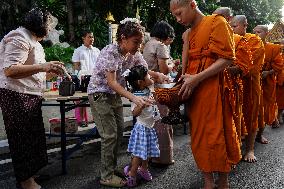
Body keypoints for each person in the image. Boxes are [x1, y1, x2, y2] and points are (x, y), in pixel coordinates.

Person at [87, 18, 168, 188]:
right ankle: (107, 176)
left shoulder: (134, 54)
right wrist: (133, 97)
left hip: (114, 94)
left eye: (140, 42)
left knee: (117, 134)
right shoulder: (111, 51)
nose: (139, 46)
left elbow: (145, 71)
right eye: (136, 42)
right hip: (99, 94)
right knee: (109, 135)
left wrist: (157, 75)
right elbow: (112, 82)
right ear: (123, 38)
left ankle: (111, 168)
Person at [170, 1, 241, 188]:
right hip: (194, 91)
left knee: (219, 133)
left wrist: (197, 78)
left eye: (179, 13)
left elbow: (227, 58)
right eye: (174, 17)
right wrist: (181, 85)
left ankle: (223, 181)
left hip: (214, 87)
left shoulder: (216, 22)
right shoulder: (188, 33)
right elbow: (187, 64)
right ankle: (208, 181)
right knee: (199, 136)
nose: (178, 19)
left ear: (192, 4)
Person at [0, 8, 67, 189]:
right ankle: (26, 181)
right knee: (21, 138)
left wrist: (49, 72)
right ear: (40, 23)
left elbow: (34, 71)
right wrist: (43, 66)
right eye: (50, 25)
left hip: (29, 93)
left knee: (34, 136)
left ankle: (31, 175)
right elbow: (10, 70)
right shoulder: (19, 36)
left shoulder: (35, 42)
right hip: (15, 93)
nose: (51, 29)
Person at [214, 7, 253, 143]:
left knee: (231, 119)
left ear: (228, 20)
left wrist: (220, 69)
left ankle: (233, 151)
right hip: (212, 86)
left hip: (230, 86)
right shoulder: (210, 37)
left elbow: (244, 67)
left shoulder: (238, 40)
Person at [230, 15, 265, 162]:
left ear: (245, 25)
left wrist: (227, 67)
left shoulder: (255, 41)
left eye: (234, 26)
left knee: (250, 115)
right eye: (230, 27)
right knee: (233, 116)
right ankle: (235, 145)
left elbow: (248, 66)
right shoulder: (230, 39)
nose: (231, 29)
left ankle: (250, 149)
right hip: (233, 85)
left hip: (249, 85)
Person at [142, 20, 176, 165]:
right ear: (166, 34)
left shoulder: (147, 44)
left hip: (146, 87)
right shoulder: (160, 46)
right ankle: (163, 158)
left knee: (149, 121)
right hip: (158, 87)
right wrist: (173, 64)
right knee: (163, 121)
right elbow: (164, 70)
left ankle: (148, 156)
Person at [123, 65, 160, 187]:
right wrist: (142, 105)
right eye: (148, 76)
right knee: (139, 153)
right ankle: (132, 173)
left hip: (149, 127)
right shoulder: (136, 96)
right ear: (140, 82)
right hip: (142, 129)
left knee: (147, 152)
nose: (150, 77)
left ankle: (144, 169)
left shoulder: (147, 88)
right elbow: (134, 113)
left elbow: (155, 82)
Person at [254, 25, 283, 131]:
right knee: (253, 104)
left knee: (266, 104)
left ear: (267, 33)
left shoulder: (274, 48)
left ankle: (261, 131)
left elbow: (279, 65)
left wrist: (268, 72)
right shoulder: (249, 46)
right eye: (255, 32)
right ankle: (252, 129)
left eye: (259, 32)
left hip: (267, 81)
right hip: (253, 80)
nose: (256, 35)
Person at [72, 30, 100, 127]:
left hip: (95, 78)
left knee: (96, 99)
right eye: (89, 37)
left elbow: (99, 65)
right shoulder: (78, 50)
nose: (91, 39)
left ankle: (97, 119)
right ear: (83, 38)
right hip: (82, 78)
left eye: (92, 37)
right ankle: (81, 120)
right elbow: (76, 65)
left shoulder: (97, 50)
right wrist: (77, 77)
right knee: (81, 100)